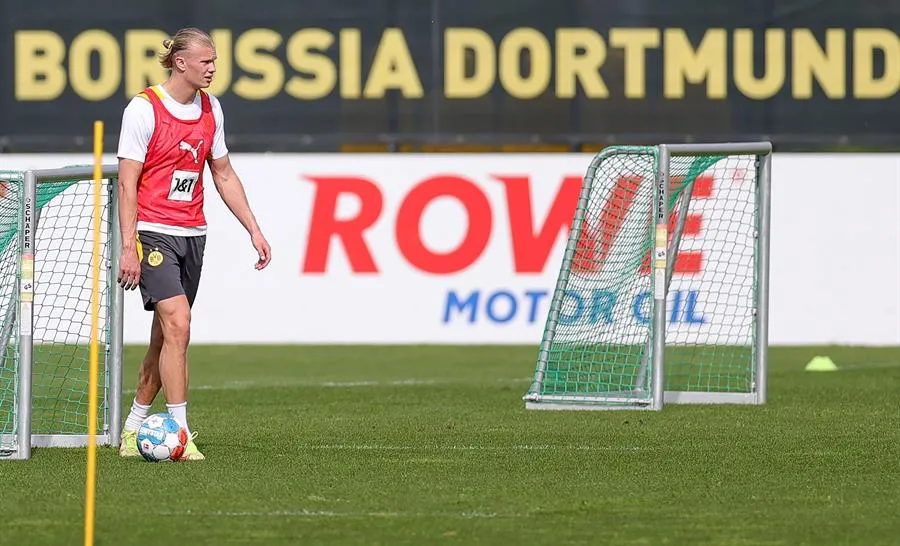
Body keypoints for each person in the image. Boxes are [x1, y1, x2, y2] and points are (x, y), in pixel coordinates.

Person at [115, 27, 271, 460]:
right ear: (180, 62)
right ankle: (180, 434)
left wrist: (253, 229)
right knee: (179, 323)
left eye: (215, 61)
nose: (213, 68)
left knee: (166, 339)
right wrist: (129, 246)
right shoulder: (143, 110)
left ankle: (132, 429)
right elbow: (128, 183)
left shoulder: (211, 108)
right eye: (206, 61)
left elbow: (222, 173)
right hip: (153, 231)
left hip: (193, 234)